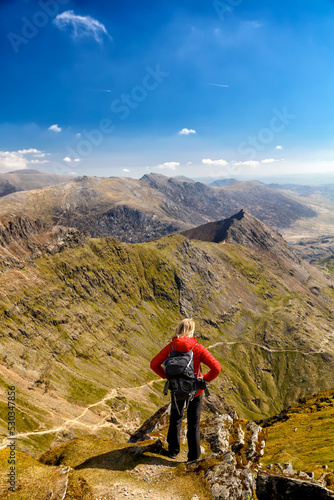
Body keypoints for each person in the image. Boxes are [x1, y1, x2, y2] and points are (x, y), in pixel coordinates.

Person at [150, 318, 221, 462]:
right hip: (195, 391)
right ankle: (193, 458)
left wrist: (168, 377)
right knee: (193, 424)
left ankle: (173, 452)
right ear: (191, 331)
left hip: (176, 390)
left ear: (178, 329)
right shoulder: (198, 348)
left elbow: (154, 364)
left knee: (176, 419)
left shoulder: (171, 347)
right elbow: (216, 368)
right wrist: (204, 380)